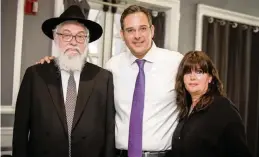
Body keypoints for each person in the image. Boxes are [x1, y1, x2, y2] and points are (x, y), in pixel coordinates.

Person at [37, 5, 183, 157]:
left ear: (152, 30)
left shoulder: (176, 62)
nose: (137, 35)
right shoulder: (112, 67)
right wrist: (53, 65)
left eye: (143, 28)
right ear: (122, 34)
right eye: (130, 30)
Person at [12, 5, 115, 157]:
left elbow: (109, 131)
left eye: (80, 36)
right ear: (56, 38)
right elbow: (20, 131)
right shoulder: (35, 75)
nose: (73, 42)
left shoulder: (103, 78)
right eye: (66, 35)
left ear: (86, 42)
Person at [171, 51, 251, 157]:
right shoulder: (185, 110)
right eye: (187, 72)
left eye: (199, 72)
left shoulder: (223, 108)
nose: (192, 77)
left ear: (210, 78)